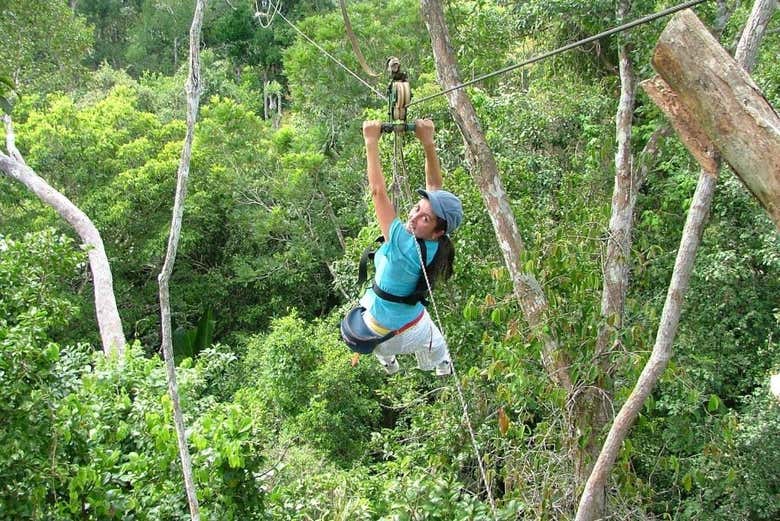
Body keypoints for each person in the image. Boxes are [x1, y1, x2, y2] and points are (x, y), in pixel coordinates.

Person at [356, 118, 463, 376]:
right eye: (417, 208)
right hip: (412, 329)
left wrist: (371, 141)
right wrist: (428, 144)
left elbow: (378, 192)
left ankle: (389, 363)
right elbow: (434, 190)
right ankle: (442, 365)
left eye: (424, 218)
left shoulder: (401, 241)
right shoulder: (439, 246)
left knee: (374, 323)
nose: (413, 217)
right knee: (435, 340)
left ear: (437, 231)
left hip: (375, 334)